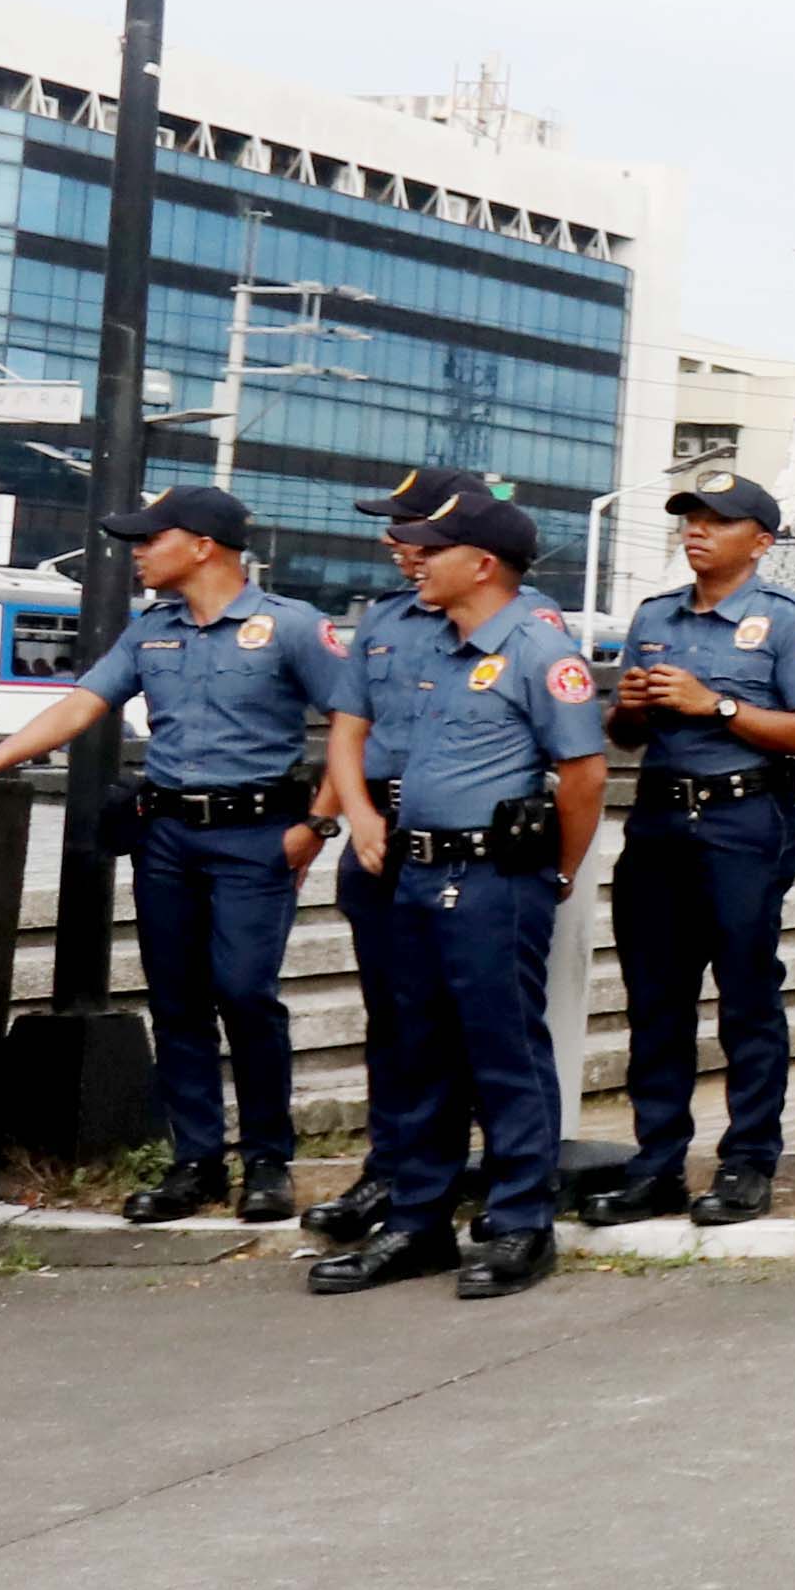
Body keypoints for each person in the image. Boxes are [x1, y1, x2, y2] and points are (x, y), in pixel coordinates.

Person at [0, 482, 335, 1224]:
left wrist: (320, 824)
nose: (137, 552)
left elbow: (356, 722)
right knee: (176, 1001)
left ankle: (268, 1157)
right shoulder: (152, 630)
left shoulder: (292, 627)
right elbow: (83, 704)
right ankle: (196, 1160)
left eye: (151, 538)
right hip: (165, 836)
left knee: (243, 991)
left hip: (256, 836)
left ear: (203, 545)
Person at [305, 491, 601, 1296]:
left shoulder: (540, 651)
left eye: (431, 549)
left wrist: (559, 870)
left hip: (494, 877)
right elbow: (357, 733)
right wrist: (362, 818)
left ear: (482, 563)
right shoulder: (432, 642)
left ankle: (519, 1223)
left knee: (502, 1052)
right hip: (414, 871)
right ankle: (416, 1221)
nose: (412, 559)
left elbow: (583, 774)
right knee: (420, 1051)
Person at [600, 473, 795, 1226]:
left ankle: (747, 1162)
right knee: (656, 999)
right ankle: (655, 1163)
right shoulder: (653, 615)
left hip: (745, 821)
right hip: (660, 821)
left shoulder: (790, 621)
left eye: (717, 521)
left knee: (746, 994)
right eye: (691, 518)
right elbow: (623, 737)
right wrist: (629, 708)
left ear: (760, 542)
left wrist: (720, 704)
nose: (697, 531)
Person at [299, 476, 480, 1247]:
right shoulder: (382, 619)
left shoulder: (511, 620)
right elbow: (349, 730)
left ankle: (481, 1170)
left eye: (406, 528)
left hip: (464, 837)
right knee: (392, 1015)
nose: (392, 542)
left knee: (469, 1018)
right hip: (378, 827)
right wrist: (344, 818)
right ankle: (393, 1164)